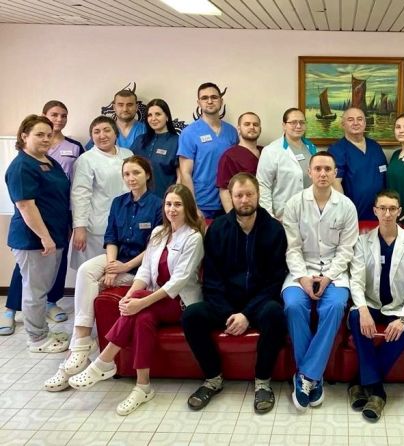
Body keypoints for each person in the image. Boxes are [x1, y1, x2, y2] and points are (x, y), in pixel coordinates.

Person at [65, 184, 204, 415]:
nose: (172, 209)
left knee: (139, 302)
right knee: (142, 319)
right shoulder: (158, 233)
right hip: (155, 301)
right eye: (168, 204)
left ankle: (104, 360)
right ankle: (143, 386)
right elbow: (145, 271)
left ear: (187, 207)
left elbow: (178, 282)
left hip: (180, 303)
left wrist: (139, 300)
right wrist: (129, 297)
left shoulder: (193, 237)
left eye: (178, 205)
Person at [44, 156, 163, 391]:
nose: (131, 178)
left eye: (136, 173)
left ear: (147, 175)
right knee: (87, 271)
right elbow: (111, 237)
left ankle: (73, 358)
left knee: (96, 285)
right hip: (117, 257)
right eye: (127, 174)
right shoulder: (118, 203)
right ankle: (82, 340)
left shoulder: (158, 205)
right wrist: (111, 265)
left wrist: (124, 267)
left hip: (141, 265)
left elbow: (155, 247)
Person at [182, 173, 288, 414]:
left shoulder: (274, 230)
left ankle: (263, 382)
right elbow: (211, 280)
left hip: (260, 303)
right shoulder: (218, 229)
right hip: (225, 304)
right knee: (192, 315)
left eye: (249, 194)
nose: (244, 200)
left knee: (275, 313)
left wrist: (247, 315)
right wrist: (229, 314)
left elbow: (275, 280)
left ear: (258, 195)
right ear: (230, 197)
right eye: (239, 195)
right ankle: (213, 378)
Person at [282, 151, 359, 411]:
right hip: (300, 270)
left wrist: (328, 277)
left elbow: (346, 250)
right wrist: (303, 278)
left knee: (335, 306)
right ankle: (313, 378)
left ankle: (306, 376)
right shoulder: (294, 204)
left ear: (335, 173)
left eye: (328, 169)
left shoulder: (346, 206)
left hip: (334, 273)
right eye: (318, 169)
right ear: (309, 172)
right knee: (293, 306)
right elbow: (292, 247)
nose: (323, 174)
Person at [1, 101, 84, 335]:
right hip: (34, 239)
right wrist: (45, 237)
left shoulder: (48, 161)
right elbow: (26, 206)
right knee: (35, 291)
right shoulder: (22, 166)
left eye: (48, 135)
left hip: (54, 234)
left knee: (41, 289)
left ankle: (41, 332)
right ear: (24, 136)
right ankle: (37, 337)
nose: (46, 139)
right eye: (39, 135)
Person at [347, 189, 404, 421]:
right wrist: (363, 310)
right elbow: (356, 280)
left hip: (398, 307)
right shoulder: (362, 241)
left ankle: (360, 382)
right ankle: (377, 392)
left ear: (399, 211)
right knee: (355, 318)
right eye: (383, 208)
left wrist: (403, 318)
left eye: (392, 209)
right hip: (371, 303)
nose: (387, 214)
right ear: (375, 211)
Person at [70, 116, 133, 269]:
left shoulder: (128, 155)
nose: (102, 135)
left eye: (106, 130)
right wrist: (79, 227)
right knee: (93, 272)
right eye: (96, 132)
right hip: (97, 227)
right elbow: (80, 195)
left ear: (115, 133)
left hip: (125, 224)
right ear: (92, 136)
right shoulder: (86, 160)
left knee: (118, 272)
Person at [178, 82, 239, 218]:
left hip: (229, 203)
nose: (210, 101)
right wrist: (193, 207)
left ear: (221, 101)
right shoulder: (189, 133)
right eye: (205, 98)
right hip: (202, 204)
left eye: (214, 97)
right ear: (198, 102)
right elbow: (185, 173)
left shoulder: (232, 132)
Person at [257, 108, 318, 220]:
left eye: (302, 122)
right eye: (293, 122)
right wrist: (269, 217)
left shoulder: (312, 148)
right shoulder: (271, 151)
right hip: (283, 215)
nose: (298, 126)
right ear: (284, 125)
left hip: (311, 213)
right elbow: (263, 186)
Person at [328, 107, 387, 220]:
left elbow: (384, 175)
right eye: (350, 119)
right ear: (343, 124)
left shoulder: (375, 147)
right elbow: (335, 183)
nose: (356, 123)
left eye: (360, 119)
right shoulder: (337, 149)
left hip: (381, 214)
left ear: (365, 123)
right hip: (353, 214)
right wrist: (344, 211)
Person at [130, 99, 180, 198]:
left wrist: (174, 199)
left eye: (158, 114)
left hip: (165, 200)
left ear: (167, 117)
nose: (153, 118)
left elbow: (181, 177)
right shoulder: (140, 140)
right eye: (150, 115)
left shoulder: (177, 141)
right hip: (140, 200)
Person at [216, 112, 263, 213]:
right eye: (247, 124)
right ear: (239, 128)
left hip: (264, 210)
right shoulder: (229, 156)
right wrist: (233, 217)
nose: (252, 127)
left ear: (260, 129)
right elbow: (224, 190)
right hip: (242, 210)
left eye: (255, 124)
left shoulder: (266, 152)